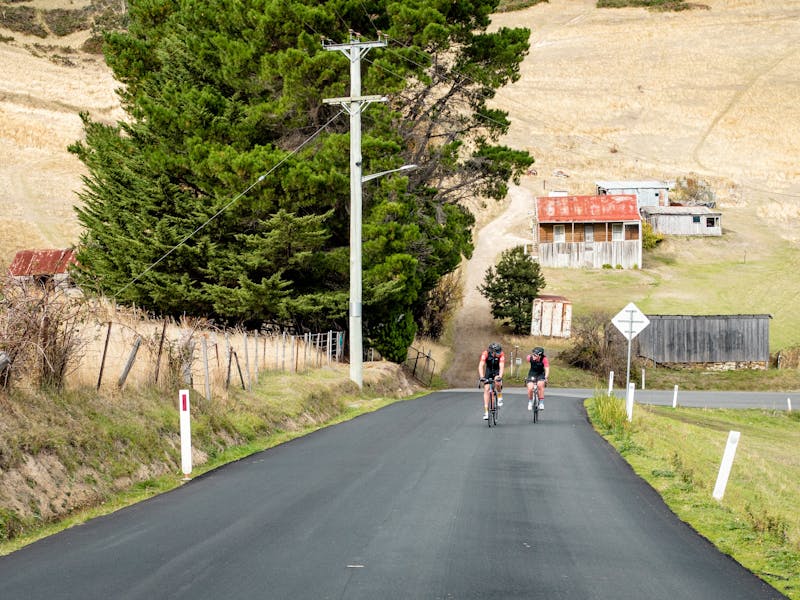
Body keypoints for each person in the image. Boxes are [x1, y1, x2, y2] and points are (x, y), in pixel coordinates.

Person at [478, 342, 505, 420]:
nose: (499, 353)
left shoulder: (501, 354)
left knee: (497, 381)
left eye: (500, 352)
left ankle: (499, 395)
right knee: (486, 389)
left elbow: (502, 366)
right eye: (497, 352)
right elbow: (481, 365)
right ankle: (486, 412)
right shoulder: (485, 353)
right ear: (492, 352)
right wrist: (481, 377)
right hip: (489, 371)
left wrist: (500, 376)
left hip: (497, 370)